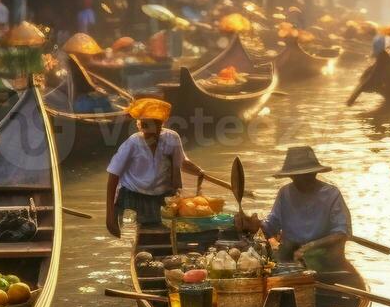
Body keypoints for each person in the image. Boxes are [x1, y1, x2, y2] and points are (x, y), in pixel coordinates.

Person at [105, 98, 228, 233]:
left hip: (161, 197)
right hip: (133, 196)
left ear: (161, 125)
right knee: (138, 235)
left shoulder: (171, 138)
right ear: (140, 125)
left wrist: (199, 171)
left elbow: (181, 161)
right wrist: (110, 216)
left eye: (156, 125)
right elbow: (113, 175)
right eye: (146, 125)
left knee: (165, 232)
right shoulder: (132, 143)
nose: (152, 133)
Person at [235, 146, 351, 269]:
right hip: (291, 258)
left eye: (307, 176)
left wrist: (310, 246)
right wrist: (253, 223)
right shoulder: (285, 193)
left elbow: (341, 233)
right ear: (291, 176)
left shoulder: (332, 194)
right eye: (298, 177)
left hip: (324, 259)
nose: (303, 180)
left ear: (315, 173)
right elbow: (270, 227)